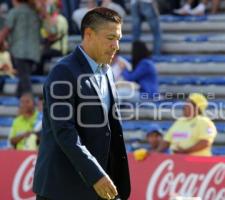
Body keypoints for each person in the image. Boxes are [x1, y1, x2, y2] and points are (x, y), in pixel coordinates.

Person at [33, 7, 130, 200]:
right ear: (88, 34)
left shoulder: (107, 71)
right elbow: (64, 132)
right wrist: (96, 175)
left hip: (99, 187)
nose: (116, 46)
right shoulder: (63, 72)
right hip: (62, 190)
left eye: (118, 38)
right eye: (110, 38)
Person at [0, 0, 41, 97]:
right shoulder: (34, 12)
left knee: (25, 80)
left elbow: (5, 32)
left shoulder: (14, 12)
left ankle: (31, 104)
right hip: (34, 52)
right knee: (24, 77)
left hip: (19, 50)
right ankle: (18, 98)